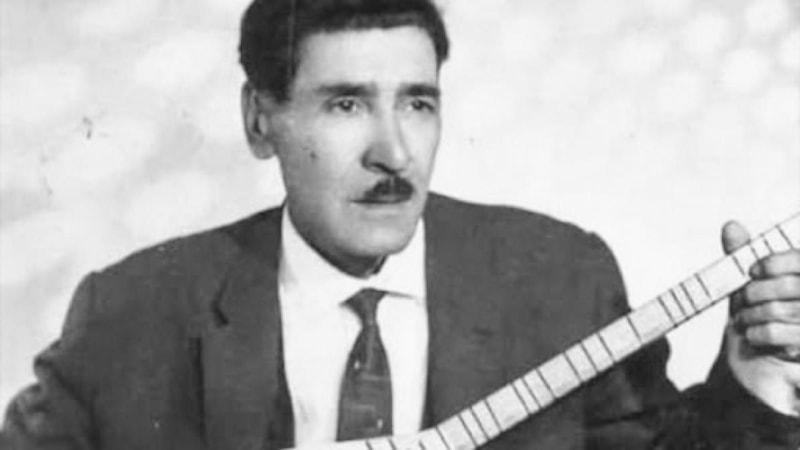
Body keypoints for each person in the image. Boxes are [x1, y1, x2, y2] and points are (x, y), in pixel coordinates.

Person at [2, 0, 799, 448]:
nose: (393, 151)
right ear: (259, 119)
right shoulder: (129, 314)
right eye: (346, 103)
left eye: (417, 103)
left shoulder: (560, 277)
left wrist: (757, 378)